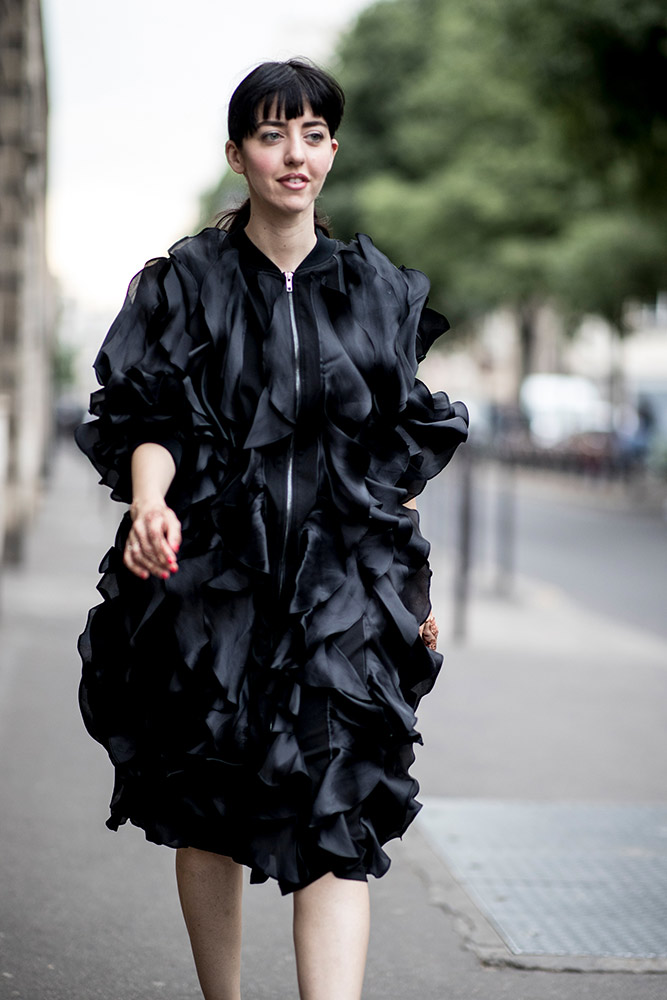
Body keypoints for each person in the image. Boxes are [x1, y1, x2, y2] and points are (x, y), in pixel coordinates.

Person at [76, 58, 468, 1000]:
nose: (293, 154)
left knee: (339, 816)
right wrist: (150, 498)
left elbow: (392, 465)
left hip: (343, 596)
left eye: (311, 134)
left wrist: (412, 593)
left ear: (332, 148)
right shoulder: (188, 282)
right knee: (211, 804)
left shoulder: (373, 289)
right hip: (215, 582)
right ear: (237, 153)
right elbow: (152, 417)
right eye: (269, 134)